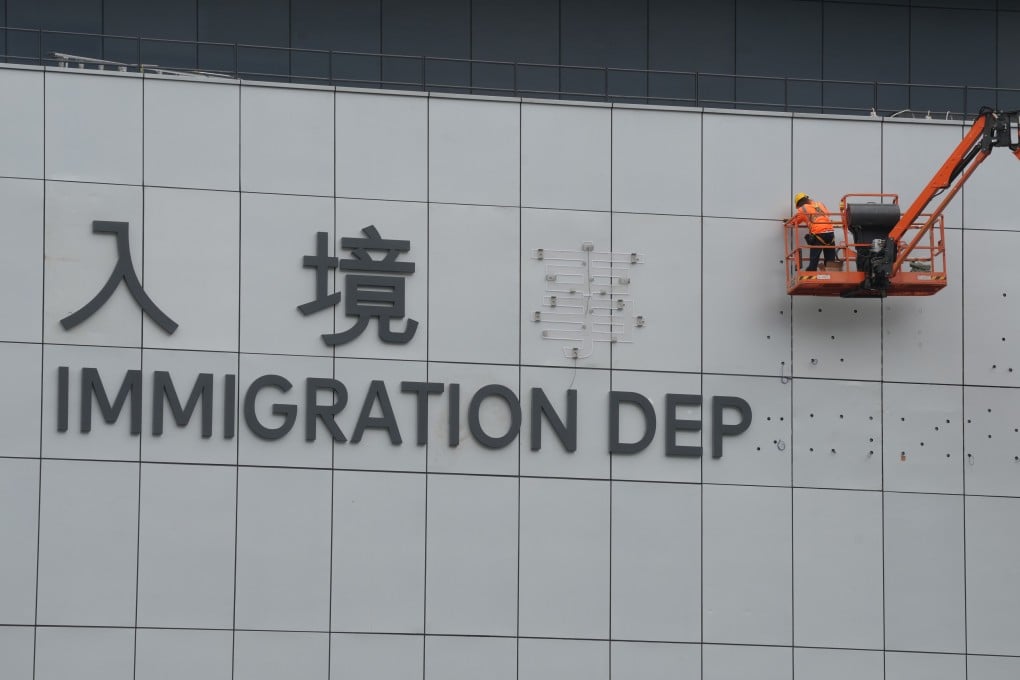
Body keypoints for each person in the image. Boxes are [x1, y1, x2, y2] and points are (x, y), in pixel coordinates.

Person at [790, 192, 838, 271]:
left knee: (814, 256)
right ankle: (831, 270)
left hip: (818, 233)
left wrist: (788, 221)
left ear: (799, 203)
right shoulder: (820, 204)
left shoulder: (802, 209)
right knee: (830, 259)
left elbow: (795, 222)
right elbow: (828, 214)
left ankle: (812, 269)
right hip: (830, 232)